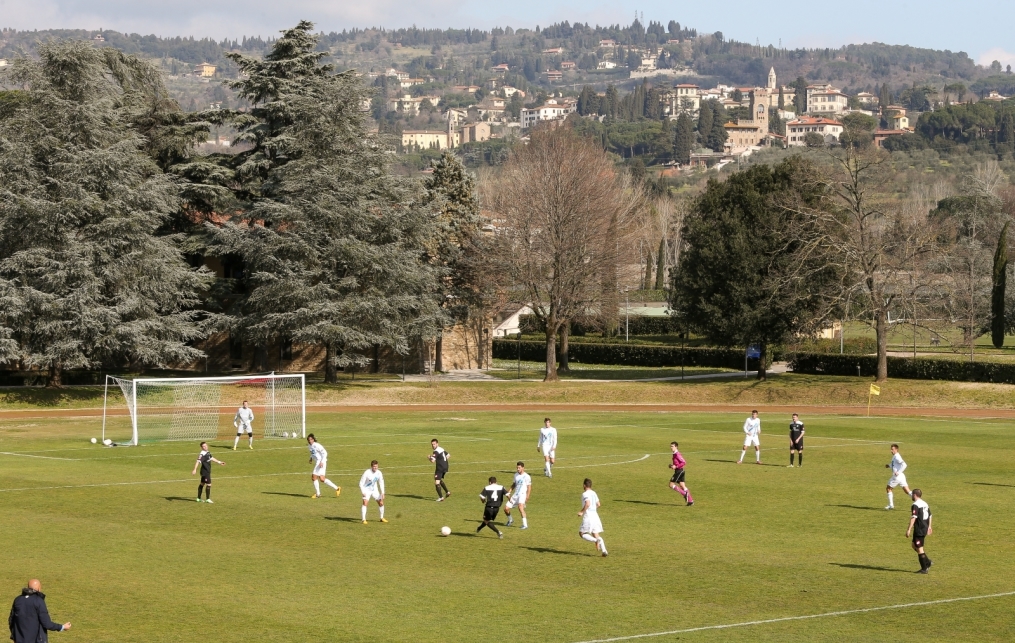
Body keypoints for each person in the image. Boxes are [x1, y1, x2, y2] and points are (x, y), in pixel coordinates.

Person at [8, 579, 70, 643]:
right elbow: (46, 623)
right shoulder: (38, 601)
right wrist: (62, 627)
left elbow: (11, 620)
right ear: (39, 588)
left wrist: (14, 636)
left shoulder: (18, 600)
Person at [578, 478, 608, 557]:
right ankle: (604, 551)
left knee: (582, 533)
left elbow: (587, 504)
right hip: (595, 516)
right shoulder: (594, 493)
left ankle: (596, 541)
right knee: (595, 534)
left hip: (589, 516)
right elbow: (598, 504)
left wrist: (582, 512)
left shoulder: (585, 494)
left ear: (584, 485)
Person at [906, 489, 933, 573]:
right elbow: (930, 515)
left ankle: (924, 568)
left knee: (919, 548)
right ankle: (928, 561)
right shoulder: (924, 503)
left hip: (919, 529)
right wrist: (929, 526)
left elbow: (914, 517)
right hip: (924, 527)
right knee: (914, 545)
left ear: (914, 495)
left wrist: (909, 529)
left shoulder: (915, 505)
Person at [307, 434, 341, 499]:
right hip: (319, 462)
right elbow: (313, 453)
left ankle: (318, 494)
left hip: (320, 462)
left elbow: (325, 453)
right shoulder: (309, 446)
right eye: (309, 440)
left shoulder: (317, 445)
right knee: (322, 479)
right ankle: (337, 488)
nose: (310, 441)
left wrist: (322, 461)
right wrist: (311, 458)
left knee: (314, 477)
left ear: (313, 439)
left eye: (311, 439)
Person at [504, 462, 532, 528]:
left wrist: (527, 496)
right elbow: (514, 484)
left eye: (519, 468)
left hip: (522, 494)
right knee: (506, 508)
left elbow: (529, 487)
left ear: (523, 468)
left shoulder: (527, 476)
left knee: (520, 507)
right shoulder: (516, 475)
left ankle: (525, 525)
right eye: (517, 468)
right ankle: (510, 520)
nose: (518, 469)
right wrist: (509, 491)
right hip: (515, 495)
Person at [885, 444, 912, 510]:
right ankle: (919, 500)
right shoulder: (895, 456)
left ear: (896, 449)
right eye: (891, 449)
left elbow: (904, 465)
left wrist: (898, 472)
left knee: (888, 488)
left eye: (892, 449)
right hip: (902, 476)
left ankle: (891, 505)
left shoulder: (897, 457)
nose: (891, 451)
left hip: (897, 476)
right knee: (907, 491)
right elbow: (894, 464)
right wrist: (889, 465)